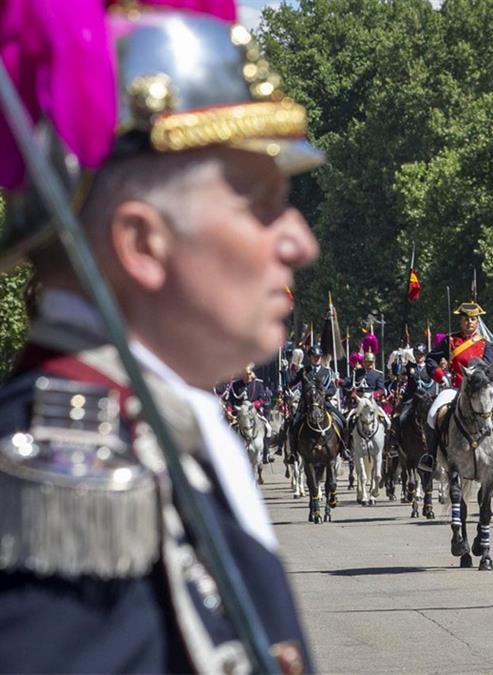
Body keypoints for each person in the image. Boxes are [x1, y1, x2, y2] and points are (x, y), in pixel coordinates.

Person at [0, 4, 317, 670]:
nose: (300, 242)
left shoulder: (166, 428)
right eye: (260, 203)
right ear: (143, 243)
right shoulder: (55, 486)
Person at [423, 302, 493, 471]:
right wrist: (441, 376)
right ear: (460, 321)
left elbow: (489, 367)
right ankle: (430, 456)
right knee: (433, 414)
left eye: (473, 319)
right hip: (455, 388)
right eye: (466, 319)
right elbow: (431, 359)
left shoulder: (486, 344)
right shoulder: (450, 341)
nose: (469, 322)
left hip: (480, 391)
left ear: (478, 322)